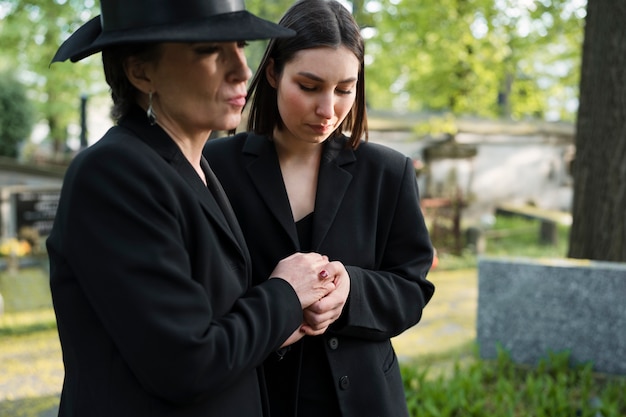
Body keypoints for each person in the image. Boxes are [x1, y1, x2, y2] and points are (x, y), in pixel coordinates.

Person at [46, 1, 348, 416]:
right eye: (209, 50)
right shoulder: (114, 172)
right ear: (141, 71)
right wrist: (285, 296)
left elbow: (214, 323)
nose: (242, 70)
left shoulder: (195, 168)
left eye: (240, 46)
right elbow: (185, 364)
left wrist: (287, 316)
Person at [203, 0, 436, 416]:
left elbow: (412, 289)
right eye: (309, 87)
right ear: (273, 72)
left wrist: (351, 292)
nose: (328, 110)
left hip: (365, 401)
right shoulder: (215, 167)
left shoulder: (388, 172)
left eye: (345, 89)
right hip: (257, 397)